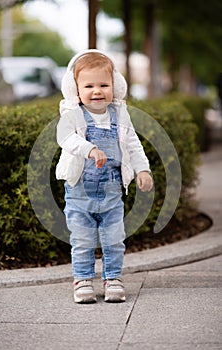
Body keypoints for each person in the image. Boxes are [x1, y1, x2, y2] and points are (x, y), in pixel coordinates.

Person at [56, 49, 153, 303]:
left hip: (111, 192)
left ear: (116, 86)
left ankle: (113, 279)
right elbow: (65, 138)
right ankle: (83, 280)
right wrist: (89, 149)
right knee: (82, 239)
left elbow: (132, 143)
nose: (97, 91)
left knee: (114, 239)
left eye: (104, 85)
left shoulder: (120, 114)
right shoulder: (73, 114)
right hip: (79, 191)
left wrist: (143, 169)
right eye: (89, 85)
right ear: (74, 88)